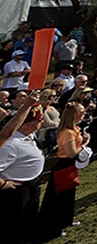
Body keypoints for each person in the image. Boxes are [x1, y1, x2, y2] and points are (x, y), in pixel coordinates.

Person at [39, 102, 90, 240]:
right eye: (80, 111)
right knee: (60, 196)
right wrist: (85, 144)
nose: (83, 113)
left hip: (70, 165)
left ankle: (66, 220)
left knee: (69, 194)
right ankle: (54, 227)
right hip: (64, 165)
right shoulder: (67, 132)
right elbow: (71, 152)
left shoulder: (75, 128)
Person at [0, 99, 45, 244]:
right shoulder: (11, 145)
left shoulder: (29, 136)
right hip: (16, 191)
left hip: (31, 185)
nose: (42, 121)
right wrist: (2, 184)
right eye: (39, 119)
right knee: (15, 228)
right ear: (27, 124)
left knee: (29, 224)